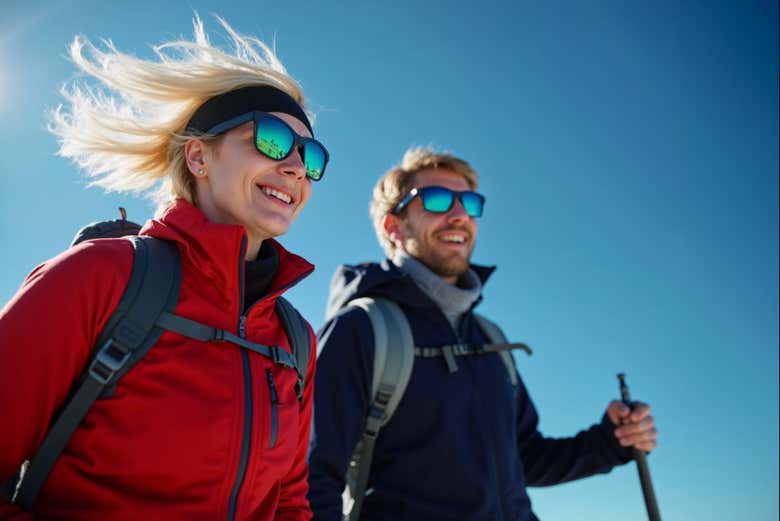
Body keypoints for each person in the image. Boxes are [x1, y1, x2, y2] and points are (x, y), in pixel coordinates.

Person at [0, 16, 328, 521]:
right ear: (198, 156)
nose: (295, 168)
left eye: (310, 156)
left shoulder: (295, 341)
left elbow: (288, 502)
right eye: (272, 140)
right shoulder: (99, 277)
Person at [307, 147, 657, 521]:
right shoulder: (361, 330)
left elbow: (526, 458)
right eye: (437, 200)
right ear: (394, 227)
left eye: (469, 203)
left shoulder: (490, 340)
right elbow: (312, 479)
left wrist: (611, 441)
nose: (459, 215)